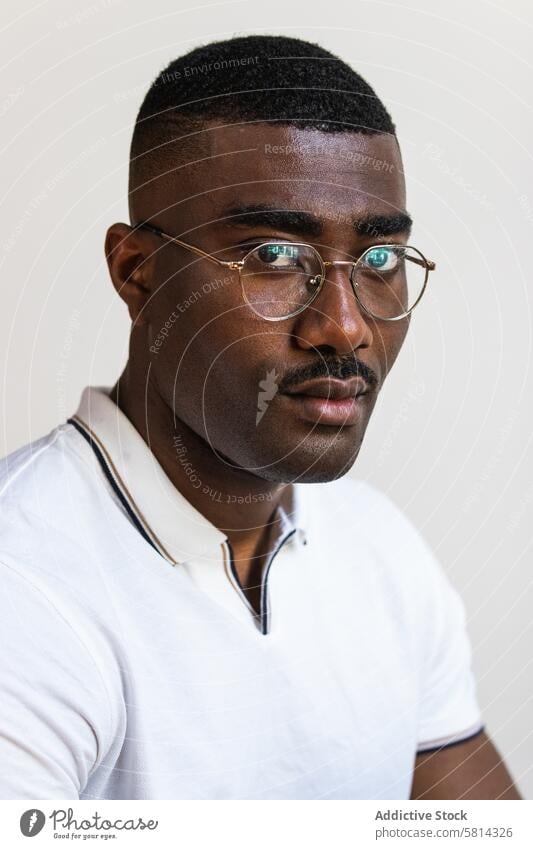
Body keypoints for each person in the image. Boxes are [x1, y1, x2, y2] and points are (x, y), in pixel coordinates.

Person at [0, 34, 521, 800]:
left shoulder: (381, 552)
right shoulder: (26, 584)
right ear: (136, 273)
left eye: (378, 261)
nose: (345, 327)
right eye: (274, 255)